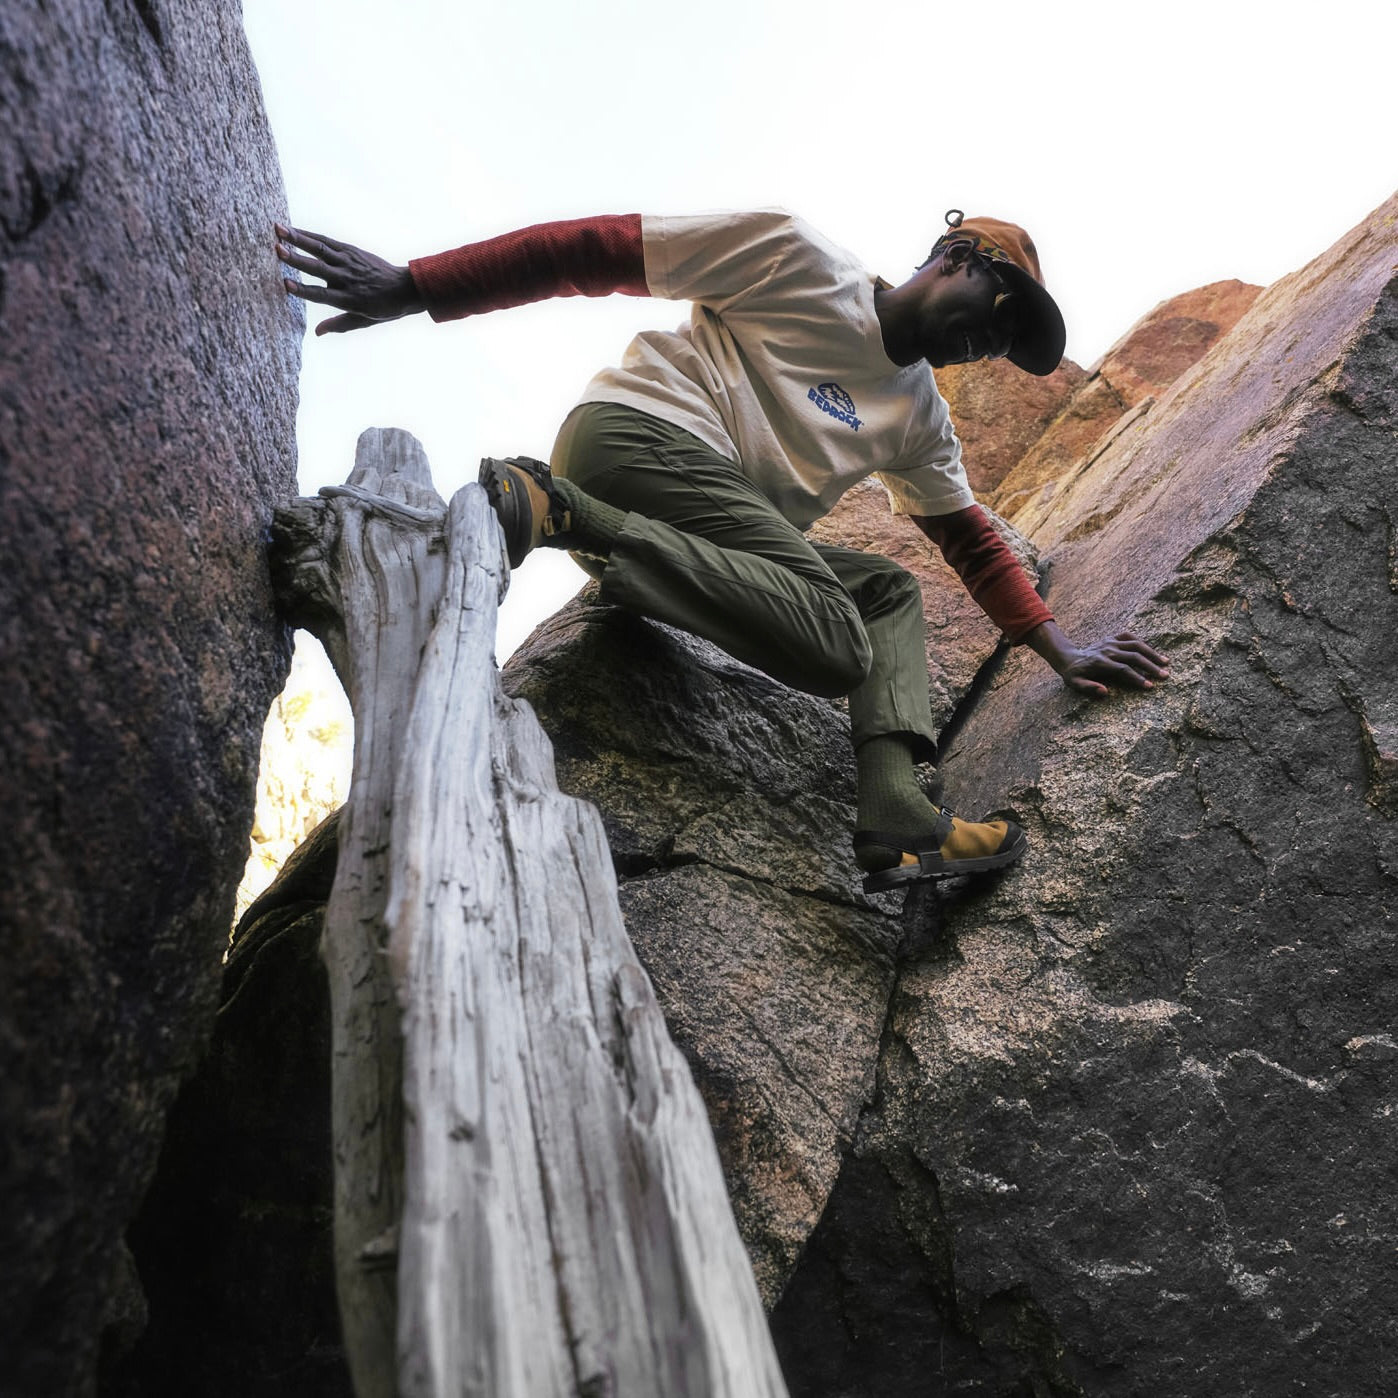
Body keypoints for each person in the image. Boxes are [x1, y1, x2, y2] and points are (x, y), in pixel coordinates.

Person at [276, 209, 1168, 893]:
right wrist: (417, 285)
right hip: (633, 437)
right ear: (960, 259)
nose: (991, 346)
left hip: (686, 536)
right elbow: (593, 250)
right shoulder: (799, 260)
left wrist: (1060, 650)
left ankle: (899, 815)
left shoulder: (919, 417)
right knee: (835, 637)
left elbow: (971, 541)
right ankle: (557, 509)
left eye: (1007, 348)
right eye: (1002, 313)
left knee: (888, 593)